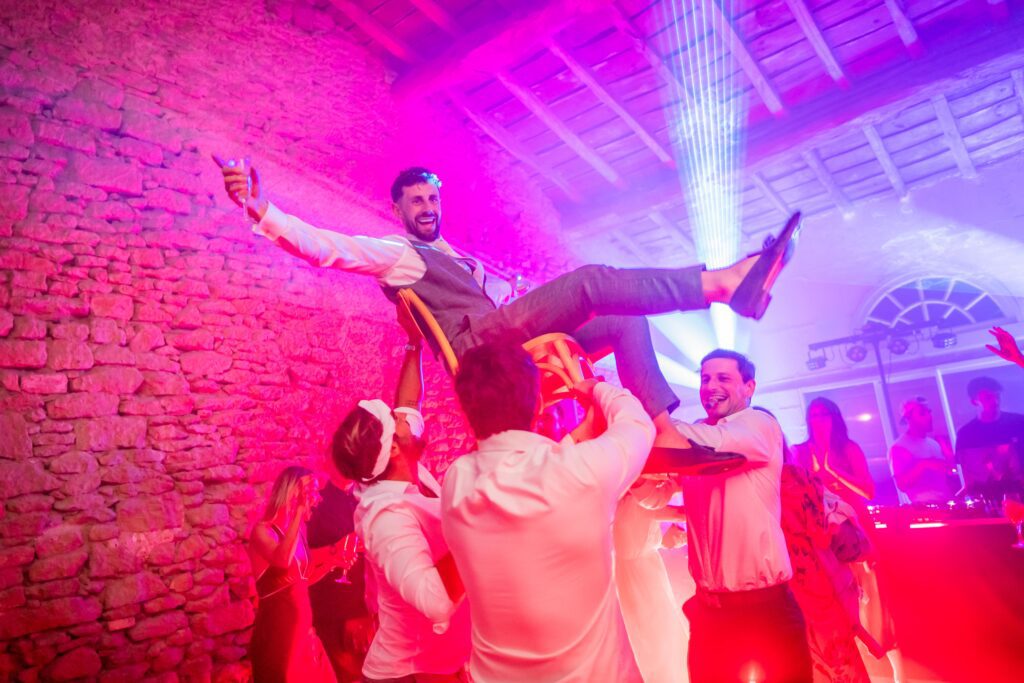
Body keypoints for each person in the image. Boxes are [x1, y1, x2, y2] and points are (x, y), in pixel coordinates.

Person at [213, 159, 800, 469]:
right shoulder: (397, 254)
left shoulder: (449, 255)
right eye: (415, 200)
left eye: (433, 198)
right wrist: (262, 209)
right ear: (397, 208)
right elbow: (327, 247)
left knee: (624, 318)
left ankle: (666, 435)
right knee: (591, 281)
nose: (426, 206)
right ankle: (724, 282)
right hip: (484, 348)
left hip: (503, 341)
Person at [441, 341, 655, 682]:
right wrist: (599, 388)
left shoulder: (456, 482)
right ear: (539, 403)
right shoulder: (580, 473)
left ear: (467, 412)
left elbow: (518, 473)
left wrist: (576, 440)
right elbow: (639, 427)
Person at [331, 328, 470, 682]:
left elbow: (409, 399)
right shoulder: (387, 520)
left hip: (438, 663)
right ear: (394, 447)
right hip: (409, 673)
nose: (403, 413)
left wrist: (414, 340)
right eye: (396, 419)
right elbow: (436, 601)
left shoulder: (404, 471)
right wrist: (478, 530)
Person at [672, 350, 812, 683]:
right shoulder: (695, 434)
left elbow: (713, 445)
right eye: (705, 379)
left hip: (763, 610)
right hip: (710, 611)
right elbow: (661, 491)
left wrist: (650, 417)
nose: (710, 386)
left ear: (749, 387)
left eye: (723, 378)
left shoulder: (758, 424)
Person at [794, 398, 903, 682]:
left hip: (856, 532)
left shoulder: (849, 448)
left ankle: (890, 666)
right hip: (823, 537)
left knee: (874, 600)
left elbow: (868, 491)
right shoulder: (801, 452)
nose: (819, 420)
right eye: (814, 415)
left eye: (824, 415)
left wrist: (833, 472)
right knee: (837, 601)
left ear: (835, 418)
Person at [762, 406, 870, 683]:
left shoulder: (748, 487)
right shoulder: (797, 476)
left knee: (798, 661)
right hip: (812, 579)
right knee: (837, 660)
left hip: (774, 586)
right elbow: (821, 534)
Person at [248, 466, 360, 683]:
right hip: (279, 631)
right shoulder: (262, 531)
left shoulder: (298, 532)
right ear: (293, 494)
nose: (317, 499)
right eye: (312, 491)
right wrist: (298, 512)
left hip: (304, 631)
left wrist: (332, 563)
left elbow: (302, 581)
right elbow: (282, 561)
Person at [612, 476, 690, 683]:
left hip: (632, 574)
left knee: (647, 635)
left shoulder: (619, 500)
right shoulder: (637, 499)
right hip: (642, 579)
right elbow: (680, 513)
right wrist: (680, 486)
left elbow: (633, 538)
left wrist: (665, 541)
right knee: (655, 636)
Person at [306, 477, 373, 683]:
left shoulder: (360, 499)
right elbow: (302, 560)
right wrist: (336, 550)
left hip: (363, 607)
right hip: (335, 612)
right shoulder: (321, 505)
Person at [955, 376, 1024, 499]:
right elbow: (968, 475)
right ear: (974, 401)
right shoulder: (966, 434)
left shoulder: (1019, 423)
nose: (995, 401)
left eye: (997, 396)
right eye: (988, 397)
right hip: (989, 499)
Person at [889, 397, 954, 505]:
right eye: (922, 413)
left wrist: (950, 458)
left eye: (929, 412)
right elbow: (902, 485)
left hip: (946, 505)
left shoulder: (933, 443)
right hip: (923, 511)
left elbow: (946, 473)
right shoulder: (899, 447)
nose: (929, 417)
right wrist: (923, 464)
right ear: (908, 418)